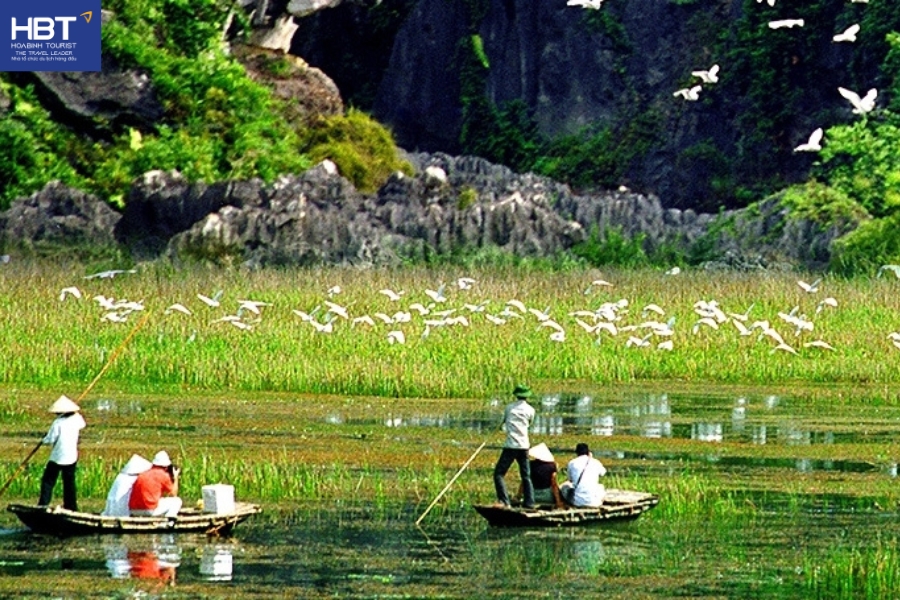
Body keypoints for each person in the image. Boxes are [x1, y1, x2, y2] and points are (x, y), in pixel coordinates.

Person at [38, 395, 86, 511]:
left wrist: (42, 440)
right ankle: (71, 506)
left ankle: (43, 505)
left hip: (58, 457)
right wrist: (76, 413)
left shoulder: (58, 423)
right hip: (71, 457)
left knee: (48, 481)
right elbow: (83, 424)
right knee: (69, 482)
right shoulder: (77, 418)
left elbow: (51, 439)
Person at [493, 384, 536, 509]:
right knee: (526, 476)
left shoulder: (509, 408)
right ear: (527, 397)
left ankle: (504, 501)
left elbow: (504, 421)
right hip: (524, 446)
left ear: (516, 395)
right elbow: (530, 423)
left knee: (499, 474)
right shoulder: (531, 410)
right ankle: (530, 502)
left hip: (511, 446)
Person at [129, 451, 182, 517]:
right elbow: (174, 494)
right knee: (177, 501)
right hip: (149, 510)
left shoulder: (143, 474)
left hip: (133, 510)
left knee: (160, 500)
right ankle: (168, 522)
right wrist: (175, 477)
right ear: (166, 467)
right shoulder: (163, 475)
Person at [559, 442, 607, 508]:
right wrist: (591, 458)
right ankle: (598, 502)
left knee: (564, 487)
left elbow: (570, 480)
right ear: (588, 452)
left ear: (577, 453)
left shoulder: (572, 463)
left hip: (577, 502)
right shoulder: (595, 462)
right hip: (594, 502)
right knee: (601, 486)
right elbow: (603, 473)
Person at [519, 443, 564, 508]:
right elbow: (554, 485)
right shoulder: (552, 466)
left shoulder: (530, 465)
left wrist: (518, 496)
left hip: (532, 495)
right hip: (547, 496)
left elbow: (524, 482)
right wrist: (558, 501)